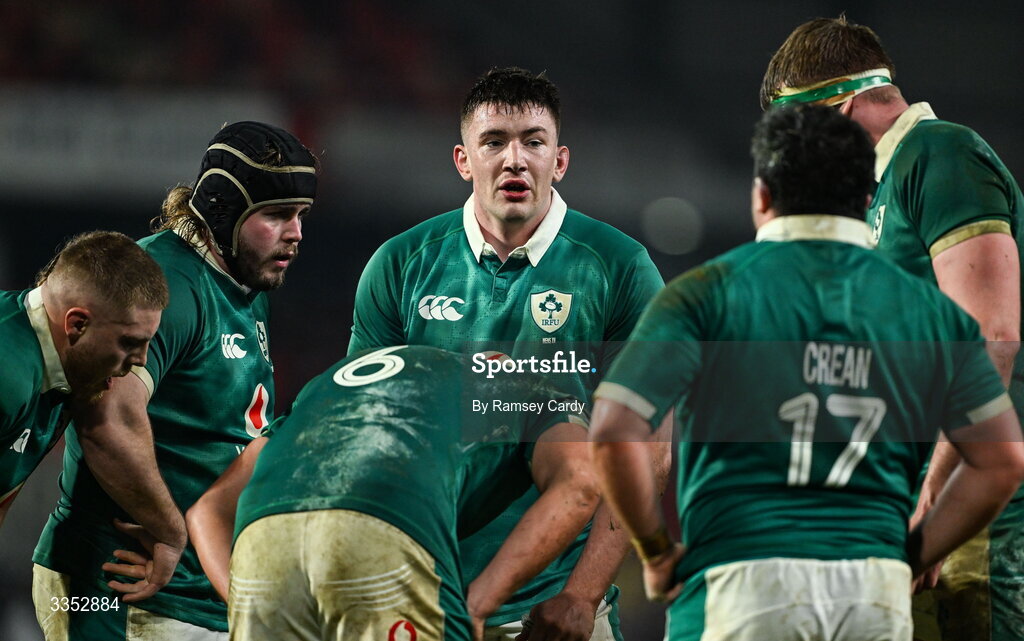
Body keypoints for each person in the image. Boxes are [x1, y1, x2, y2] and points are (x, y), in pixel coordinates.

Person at [588, 104, 1024, 641]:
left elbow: (612, 431)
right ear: (866, 202)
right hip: (873, 595)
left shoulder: (705, 293)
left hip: (742, 586)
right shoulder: (930, 312)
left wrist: (655, 551)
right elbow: (1002, 463)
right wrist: (911, 555)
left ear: (761, 197)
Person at [348, 66, 669, 640]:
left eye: (534, 142)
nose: (514, 160)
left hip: (558, 608)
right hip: (423, 599)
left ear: (560, 161)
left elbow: (649, 445)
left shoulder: (620, 267)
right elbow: (364, 425)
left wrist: (582, 594)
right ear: (463, 160)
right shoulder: (400, 264)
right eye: (494, 142)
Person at [760, 17, 1024, 641]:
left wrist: (931, 498)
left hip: (976, 516)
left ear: (839, 107)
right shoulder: (877, 191)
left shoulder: (941, 154)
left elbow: (990, 337)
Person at [32, 121, 318, 640]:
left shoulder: (241, 282)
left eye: (300, 216)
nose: (296, 232)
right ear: (225, 213)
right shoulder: (163, 283)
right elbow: (108, 416)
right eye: (276, 215)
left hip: (194, 591)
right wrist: (171, 532)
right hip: (120, 586)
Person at [180, 345, 598, 641]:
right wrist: (481, 601)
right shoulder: (530, 391)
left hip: (260, 541)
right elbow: (580, 483)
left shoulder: (335, 386)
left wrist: (248, 600)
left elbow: (206, 510)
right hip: (382, 528)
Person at [1, 231, 171, 545]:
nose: (141, 360)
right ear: (77, 324)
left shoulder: (65, 367)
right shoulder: (8, 376)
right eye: (129, 342)